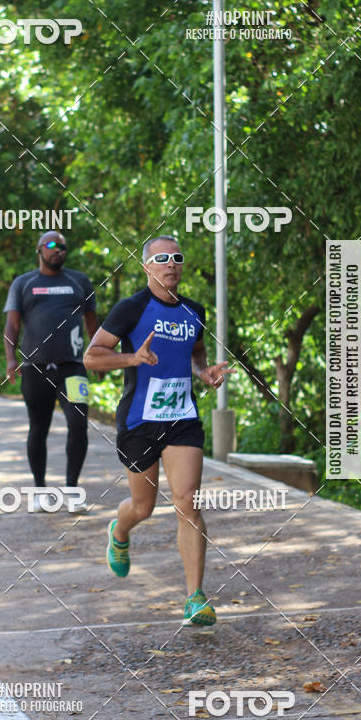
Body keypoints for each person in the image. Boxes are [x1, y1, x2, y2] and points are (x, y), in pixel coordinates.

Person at [83, 235, 234, 626]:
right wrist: (131, 357)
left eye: (177, 258)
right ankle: (120, 529)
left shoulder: (194, 311)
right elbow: (92, 356)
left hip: (182, 417)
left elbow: (195, 353)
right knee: (144, 507)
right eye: (162, 258)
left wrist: (203, 372)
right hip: (139, 421)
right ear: (147, 266)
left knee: (187, 502)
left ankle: (195, 598)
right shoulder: (131, 308)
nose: (171, 264)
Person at [3, 231, 99, 512]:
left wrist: (98, 357)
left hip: (73, 367)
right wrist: (11, 359)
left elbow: (93, 324)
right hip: (36, 368)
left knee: (78, 424)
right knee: (38, 428)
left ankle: (71, 490)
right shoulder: (24, 284)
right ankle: (40, 491)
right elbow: (11, 326)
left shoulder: (79, 281)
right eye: (53, 246)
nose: (59, 251)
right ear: (40, 250)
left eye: (64, 247)